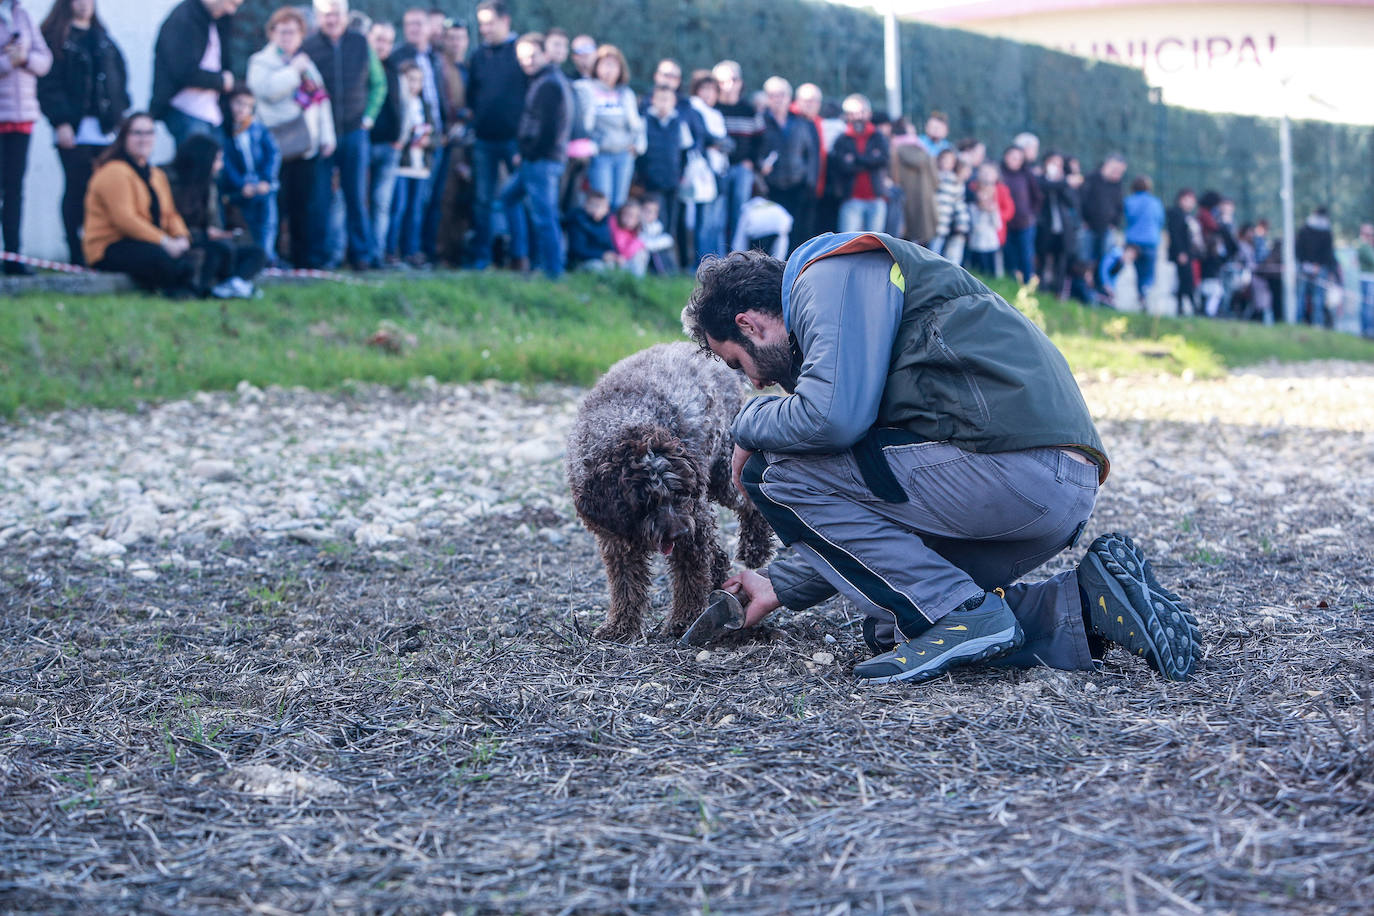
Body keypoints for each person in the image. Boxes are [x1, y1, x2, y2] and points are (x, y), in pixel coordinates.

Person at [680, 234, 1199, 686]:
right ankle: (1090, 606)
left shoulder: (830, 271)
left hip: (1011, 469)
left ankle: (961, 611)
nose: (753, 381)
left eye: (737, 362)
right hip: (1045, 487)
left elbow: (830, 420)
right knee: (898, 622)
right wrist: (780, 585)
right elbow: (873, 533)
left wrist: (748, 424)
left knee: (768, 469)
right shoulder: (849, 324)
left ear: (750, 324)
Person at [37, 0, 128, 267]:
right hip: (73, 129)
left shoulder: (102, 38)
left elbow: (118, 77)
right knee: (77, 188)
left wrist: (119, 114)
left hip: (104, 128)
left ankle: (98, 248)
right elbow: (48, 85)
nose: (85, 4)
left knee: (104, 190)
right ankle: (75, 251)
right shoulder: (56, 38)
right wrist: (60, 121)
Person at [246, 6, 334, 270]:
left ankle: (304, 260)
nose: (287, 37)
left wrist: (327, 137)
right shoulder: (262, 62)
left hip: (306, 147)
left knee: (305, 206)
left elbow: (320, 100)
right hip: (277, 146)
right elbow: (266, 90)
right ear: (272, 33)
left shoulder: (306, 63)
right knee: (276, 206)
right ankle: (270, 259)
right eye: (282, 32)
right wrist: (293, 71)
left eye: (293, 32)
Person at [304, 0, 386, 270]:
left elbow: (378, 84)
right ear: (318, 17)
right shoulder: (309, 47)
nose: (332, 20)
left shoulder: (360, 44)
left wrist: (368, 118)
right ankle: (319, 256)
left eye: (336, 14)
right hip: (322, 137)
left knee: (356, 196)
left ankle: (361, 255)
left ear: (345, 16)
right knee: (319, 199)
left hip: (354, 132)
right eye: (326, 15)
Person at [83, 113, 200, 296]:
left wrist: (180, 237)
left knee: (212, 250)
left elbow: (170, 214)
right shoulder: (114, 171)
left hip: (151, 241)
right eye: (137, 133)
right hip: (111, 246)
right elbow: (125, 220)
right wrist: (165, 242)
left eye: (148, 133)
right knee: (159, 258)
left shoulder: (156, 174)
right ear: (124, 138)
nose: (143, 139)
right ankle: (182, 288)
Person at [499, 31, 571, 278]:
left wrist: (526, 153)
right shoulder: (545, 79)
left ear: (544, 54)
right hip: (538, 159)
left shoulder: (549, 83)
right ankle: (521, 256)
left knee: (545, 217)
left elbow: (548, 130)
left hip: (541, 160)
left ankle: (553, 273)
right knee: (508, 198)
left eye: (531, 56)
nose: (526, 62)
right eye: (522, 59)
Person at [168, 133, 265, 298]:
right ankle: (213, 288)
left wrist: (223, 233)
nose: (220, 166)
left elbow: (215, 223)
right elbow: (168, 222)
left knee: (256, 253)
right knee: (219, 250)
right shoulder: (171, 183)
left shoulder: (210, 187)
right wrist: (205, 234)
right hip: (183, 242)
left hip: (210, 242)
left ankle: (231, 284)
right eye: (217, 160)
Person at [466, 0, 525, 269]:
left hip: (515, 141)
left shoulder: (520, 53)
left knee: (517, 199)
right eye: (481, 24)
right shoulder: (478, 56)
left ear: (505, 21)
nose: (484, 29)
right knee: (482, 201)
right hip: (484, 140)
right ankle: (482, 257)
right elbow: (472, 97)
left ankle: (521, 256)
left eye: (489, 23)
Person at [0, 0, 51, 274]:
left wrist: (26, 59)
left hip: (22, 118)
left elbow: (45, 60)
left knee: (14, 190)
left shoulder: (24, 17)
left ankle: (13, 255)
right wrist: (9, 62)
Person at [150, 0, 240, 147]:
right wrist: (221, 81)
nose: (232, 10)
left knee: (214, 166)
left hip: (211, 111)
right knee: (196, 167)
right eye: (232, 3)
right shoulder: (185, 18)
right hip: (186, 108)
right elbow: (182, 70)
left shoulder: (218, 20)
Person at [576, 43, 644, 209]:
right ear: (596, 66)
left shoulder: (626, 94)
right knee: (600, 202)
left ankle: (614, 235)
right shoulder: (585, 90)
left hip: (624, 154)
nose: (609, 70)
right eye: (605, 64)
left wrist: (638, 146)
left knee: (619, 203)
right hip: (600, 154)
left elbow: (637, 125)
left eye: (614, 65)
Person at [219, 87, 280, 265]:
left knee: (267, 216)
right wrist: (240, 185)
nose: (241, 109)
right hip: (240, 189)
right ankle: (258, 255)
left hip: (261, 184)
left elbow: (273, 155)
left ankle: (267, 254)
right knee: (251, 218)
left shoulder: (258, 129)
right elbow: (226, 164)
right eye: (238, 103)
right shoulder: (225, 132)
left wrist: (266, 179)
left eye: (247, 105)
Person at [386, 59, 434, 266]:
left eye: (419, 81)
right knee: (398, 208)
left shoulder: (424, 105)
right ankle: (390, 251)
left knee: (415, 210)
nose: (415, 85)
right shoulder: (397, 103)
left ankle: (411, 251)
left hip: (420, 165)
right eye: (410, 80)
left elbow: (435, 132)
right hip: (401, 165)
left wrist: (428, 139)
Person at [636, 83, 692, 260]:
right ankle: (653, 262)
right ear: (652, 100)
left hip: (673, 181)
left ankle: (667, 263)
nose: (663, 103)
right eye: (659, 99)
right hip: (652, 182)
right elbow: (640, 153)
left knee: (671, 223)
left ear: (674, 102)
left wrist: (681, 175)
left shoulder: (679, 123)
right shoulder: (645, 121)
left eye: (667, 100)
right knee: (655, 221)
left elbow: (685, 152)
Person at [713, 59, 761, 246]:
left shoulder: (749, 110)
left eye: (733, 80)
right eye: (722, 81)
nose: (728, 86)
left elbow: (760, 139)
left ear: (740, 82)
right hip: (717, 169)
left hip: (742, 168)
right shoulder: (713, 108)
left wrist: (752, 161)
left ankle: (737, 256)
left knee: (739, 215)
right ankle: (717, 258)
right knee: (717, 215)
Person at [366, 20, 402, 265]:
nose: (383, 46)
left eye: (389, 41)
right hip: (364, 145)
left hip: (390, 147)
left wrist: (400, 137)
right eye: (379, 39)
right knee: (356, 201)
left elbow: (403, 107)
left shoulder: (393, 68)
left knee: (382, 204)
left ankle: (376, 254)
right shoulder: (360, 67)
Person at [684, 70, 730, 262]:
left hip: (719, 169)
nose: (708, 93)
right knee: (704, 221)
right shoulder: (693, 109)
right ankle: (703, 262)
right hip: (703, 170)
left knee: (715, 221)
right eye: (704, 89)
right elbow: (703, 138)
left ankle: (714, 262)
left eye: (712, 89)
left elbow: (724, 142)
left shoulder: (716, 114)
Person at [829, 94, 889, 234]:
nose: (857, 117)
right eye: (853, 113)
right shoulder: (842, 139)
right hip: (851, 198)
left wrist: (855, 159)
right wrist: (870, 160)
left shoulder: (878, 136)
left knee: (876, 244)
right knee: (847, 243)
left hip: (876, 198)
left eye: (861, 112)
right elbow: (842, 166)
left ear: (868, 113)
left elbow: (883, 159)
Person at [1035, 151, 1079, 296]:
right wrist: (1062, 182)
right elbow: (1044, 188)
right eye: (1053, 162)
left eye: (1059, 164)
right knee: (1042, 258)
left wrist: (1062, 183)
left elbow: (1072, 202)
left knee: (1061, 259)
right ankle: (1041, 288)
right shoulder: (1039, 179)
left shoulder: (1063, 182)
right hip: (1045, 227)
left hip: (1062, 229)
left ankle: (1058, 291)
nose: (1056, 166)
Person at [1078, 153, 1126, 284]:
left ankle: (1100, 288)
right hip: (1088, 227)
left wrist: (1115, 223)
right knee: (1085, 259)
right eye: (1116, 170)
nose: (1118, 174)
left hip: (1106, 228)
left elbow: (1119, 206)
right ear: (1107, 165)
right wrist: (1083, 220)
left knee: (1103, 260)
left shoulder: (1117, 184)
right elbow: (1081, 201)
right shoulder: (1090, 178)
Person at [999, 144, 1042, 284]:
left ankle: (1028, 282)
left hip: (1025, 222)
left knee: (1026, 253)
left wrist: (1031, 214)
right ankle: (1010, 280)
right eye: (1012, 158)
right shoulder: (1000, 174)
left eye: (1018, 159)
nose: (1015, 161)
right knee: (1009, 253)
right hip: (1005, 223)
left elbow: (1037, 197)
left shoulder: (1027, 175)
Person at [1295, 206, 1340, 328]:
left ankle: (1300, 322)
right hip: (1317, 267)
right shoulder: (1325, 231)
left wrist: (1305, 263)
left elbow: (1298, 248)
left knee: (1305, 297)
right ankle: (1316, 324)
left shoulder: (1305, 229)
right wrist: (1319, 265)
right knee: (1314, 298)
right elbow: (1328, 252)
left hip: (1309, 266)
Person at [1122, 175, 1164, 298]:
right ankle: (1146, 292)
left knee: (1138, 271)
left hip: (1133, 241)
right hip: (1151, 241)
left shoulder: (1129, 201)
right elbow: (1160, 220)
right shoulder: (1155, 202)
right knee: (1149, 272)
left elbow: (1127, 218)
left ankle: (1140, 293)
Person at [1166, 189, 1203, 316]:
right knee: (1187, 279)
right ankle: (1193, 306)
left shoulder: (1188, 216)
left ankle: (1183, 307)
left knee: (1185, 280)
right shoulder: (1176, 213)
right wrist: (1180, 252)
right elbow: (1175, 235)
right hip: (1182, 253)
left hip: (1188, 253)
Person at [930, 148, 969, 266]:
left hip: (943, 223)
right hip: (928, 220)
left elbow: (960, 204)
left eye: (950, 161)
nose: (946, 163)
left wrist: (962, 223)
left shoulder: (956, 182)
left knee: (935, 251)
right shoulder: (932, 177)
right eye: (944, 159)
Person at [566, 188, 618, 270]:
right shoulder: (578, 221)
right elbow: (577, 250)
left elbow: (610, 244)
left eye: (601, 206)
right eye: (593, 205)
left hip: (602, 259)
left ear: (607, 209)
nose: (597, 209)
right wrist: (602, 255)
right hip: (582, 261)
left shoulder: (607, 223)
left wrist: (614, 255)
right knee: (597, 267)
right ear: (585, 205)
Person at [610, 196, 646, 276]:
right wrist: (638, 243)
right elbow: (621, 249)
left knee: (641, 253)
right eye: (626, 215)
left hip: (625, 258)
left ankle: (637, 280)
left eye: (633, 216)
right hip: (616, 256)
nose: (629, 219)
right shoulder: (615, 225)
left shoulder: (638, 230)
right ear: (620, 214)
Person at [1357, 222, 1374, 338]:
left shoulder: (1367, 246)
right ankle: (1367, 331)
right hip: (1368, 278)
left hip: (1368, 278)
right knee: (1368, 305)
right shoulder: (1364, 246)